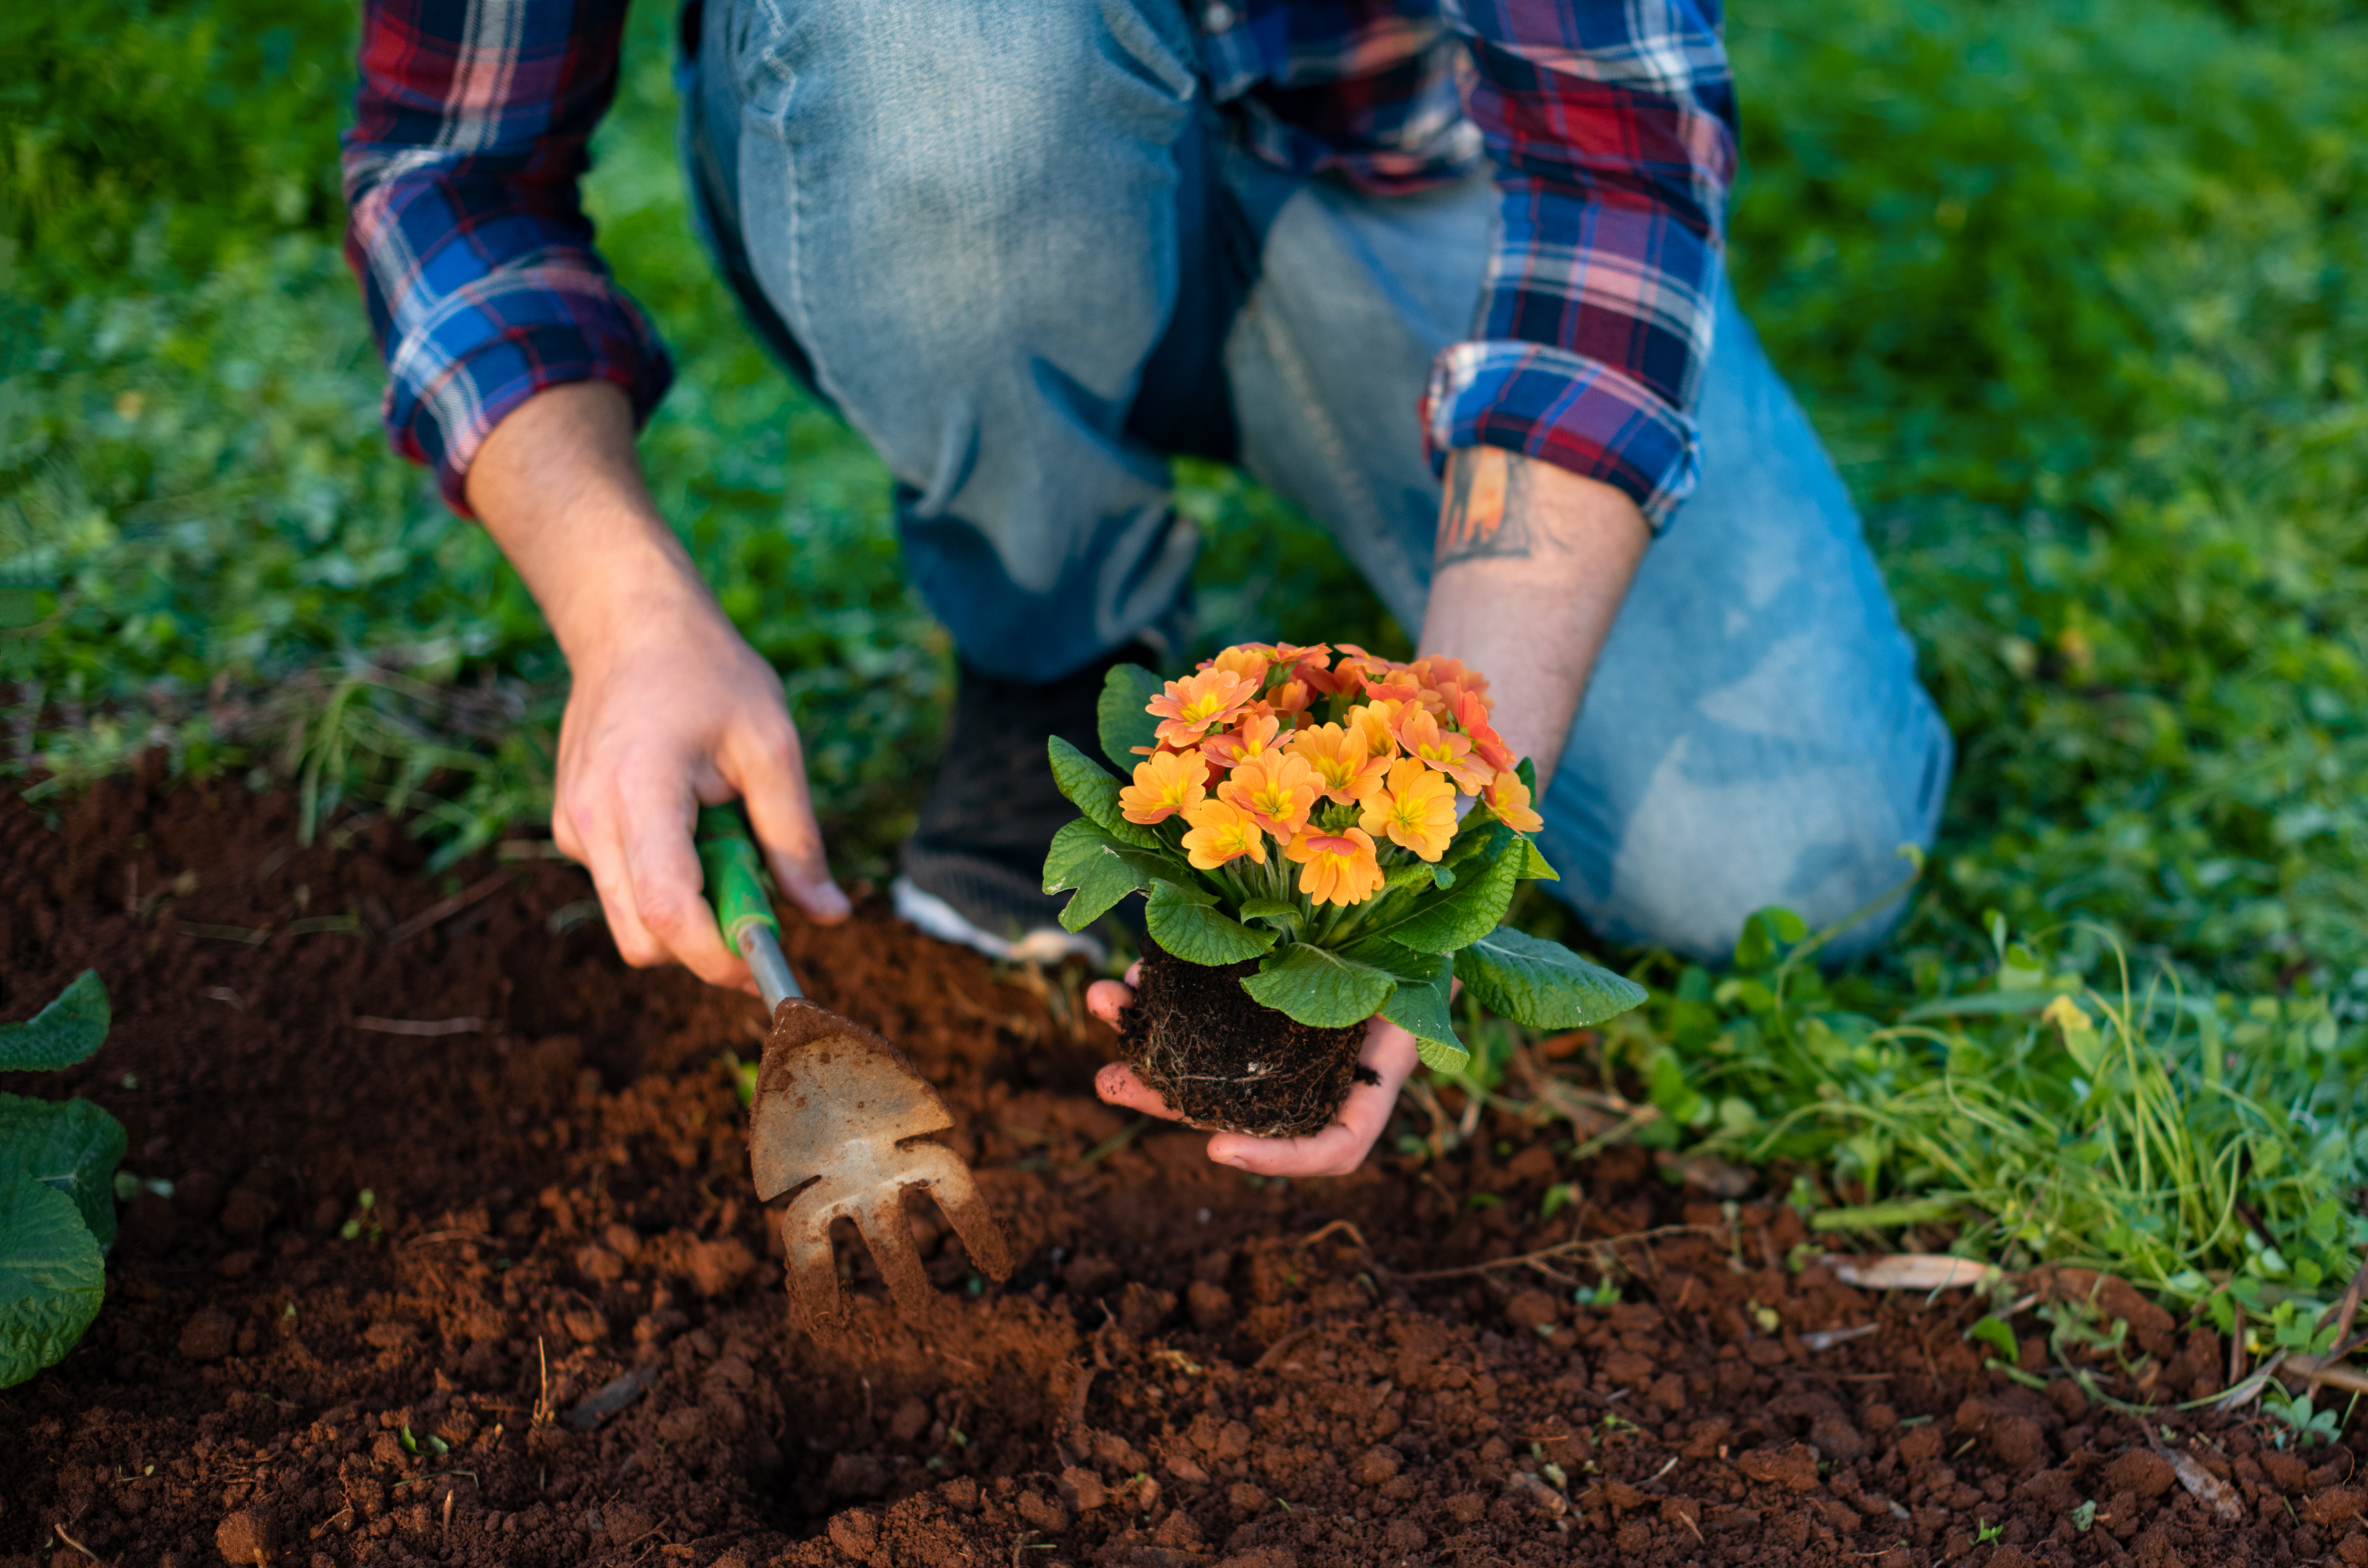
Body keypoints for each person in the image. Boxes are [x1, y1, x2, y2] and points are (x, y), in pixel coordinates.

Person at [344, 0, 1952, 1178]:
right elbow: (450, 164)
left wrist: (1439, 790)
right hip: (937, 141)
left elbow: (1610, 155)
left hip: (1398, 174)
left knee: (1789, 858)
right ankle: (1055, 630)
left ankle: (1332, 565)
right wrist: (624, 612)